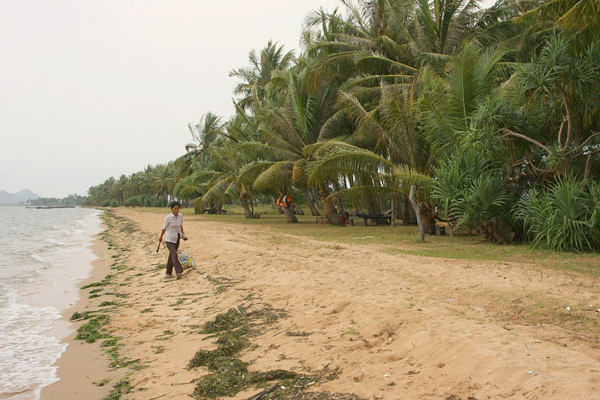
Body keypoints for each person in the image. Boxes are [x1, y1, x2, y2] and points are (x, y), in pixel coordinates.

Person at [159, 201, 188, 279]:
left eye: (178, 209)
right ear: (171, 209)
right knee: (174, 254)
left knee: (171, 256)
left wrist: (183, 235)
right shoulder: (168, 218)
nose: (177, 210)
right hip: (169, 239)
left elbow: (180, 227)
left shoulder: (180, 216)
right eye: (175, 209)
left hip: (177, 238)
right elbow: (164, 228)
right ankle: (178, 271)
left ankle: (168, 273)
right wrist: (161, 236)